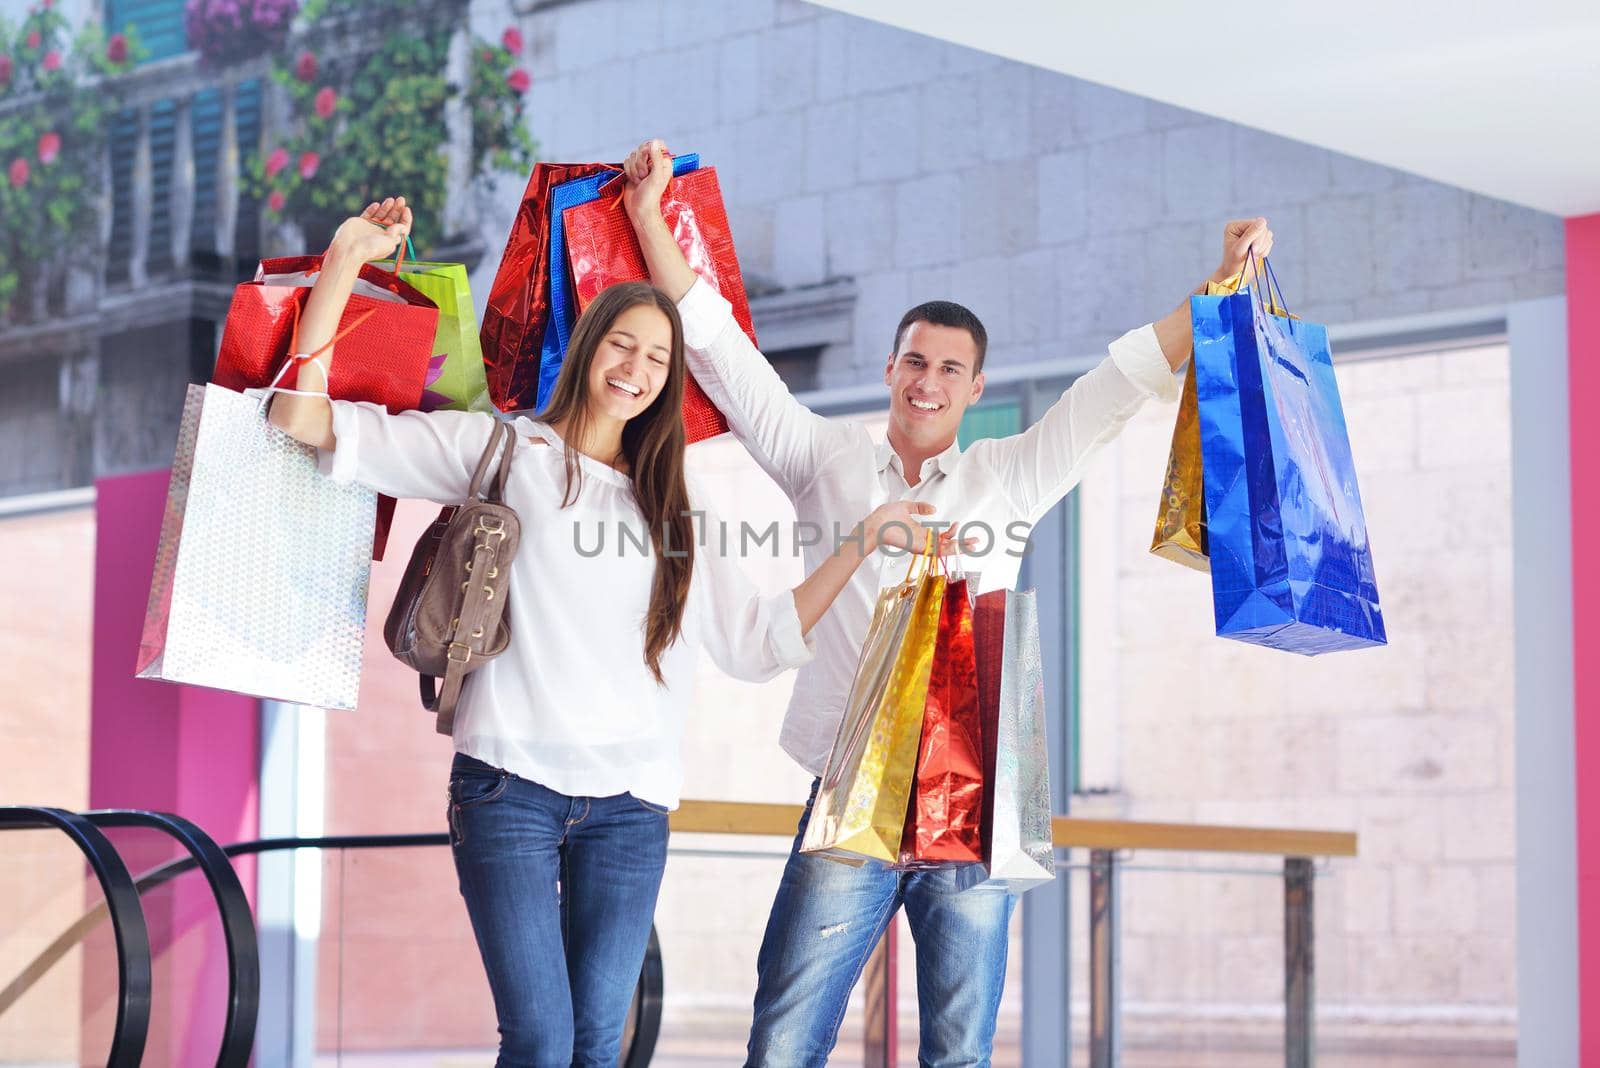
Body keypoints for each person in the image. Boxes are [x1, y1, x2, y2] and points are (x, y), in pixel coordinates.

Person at [620, 139, 1276, 1067]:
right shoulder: (825, 463)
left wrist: (1216, 287)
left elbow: (1118, 387)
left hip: (975, 804)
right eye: (913, 362)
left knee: (959, 1053)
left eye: (948, 369)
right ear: (890, 370)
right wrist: (650, 216)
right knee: (782, 1037)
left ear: (974, 387)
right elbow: (722, 353)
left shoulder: (1009, 477)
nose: (926, 382)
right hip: (849, 796)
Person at [267, 197, 960, 1068]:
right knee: (543, 1038)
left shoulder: (681, 501)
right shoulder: (506, 454)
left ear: (671, 381)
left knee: (600, 1044)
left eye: (659, 357)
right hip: (507, 788)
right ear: (588, 346)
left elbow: (754, 642)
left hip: (631, 809)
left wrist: (862, 544)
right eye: (622, 344)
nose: (636, 367)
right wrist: (343, 261)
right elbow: (301, 419)